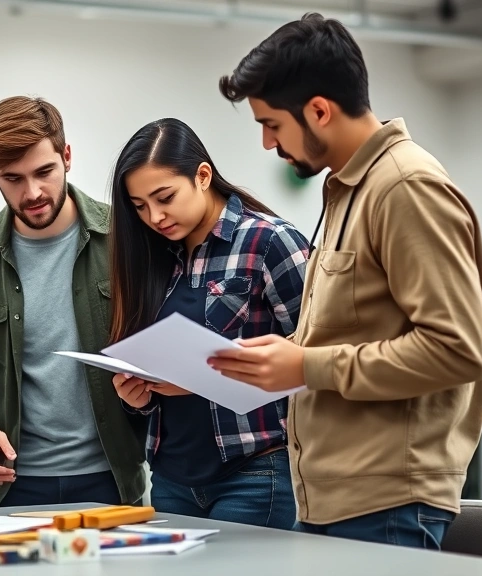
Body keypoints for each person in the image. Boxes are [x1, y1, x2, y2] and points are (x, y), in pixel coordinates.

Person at [209, 13, 482, 548]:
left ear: (318, 110)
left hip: (386, 504)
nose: (268, 143)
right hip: (333, 498)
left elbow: (458, 349)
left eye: (271, 123)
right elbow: (354, 331)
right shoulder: (348, 190)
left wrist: (308, 364)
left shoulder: (405, 187)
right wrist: (282, 357)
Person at [0, 96, 146, 508]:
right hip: (15, 484)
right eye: (13, 178)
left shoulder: (127, 240)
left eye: (44, 171)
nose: (32, 192)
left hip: (112, 477)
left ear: (67, 157)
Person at [108, 118, 308, 528]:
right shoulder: (155, 256)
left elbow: (315, 362)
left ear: (202, 176)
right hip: (170, 479)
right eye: (140, 206)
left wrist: (202, 378)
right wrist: (138, 396)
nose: (155, 216)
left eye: (165, 197)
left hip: (254, 473)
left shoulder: (268, 241)